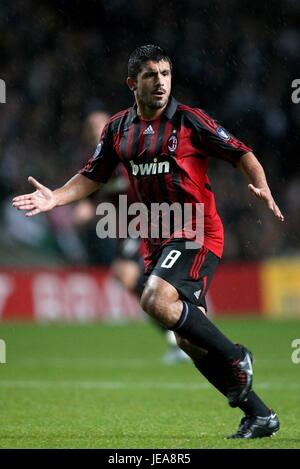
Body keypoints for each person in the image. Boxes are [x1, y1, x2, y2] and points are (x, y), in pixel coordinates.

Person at [12, 44, 284, 439]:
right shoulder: (118, 129)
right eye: (150, 75)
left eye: (165, 74)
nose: (160, 82)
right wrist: (55, 196)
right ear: (132, 83)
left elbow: (242, 152)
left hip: (194, 229)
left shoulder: (191, 121)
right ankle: (260, 415)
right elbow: (93, 175)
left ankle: (235, 355)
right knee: (189, 339)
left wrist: (260, 186)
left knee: (154, 299)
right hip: (153, 236)